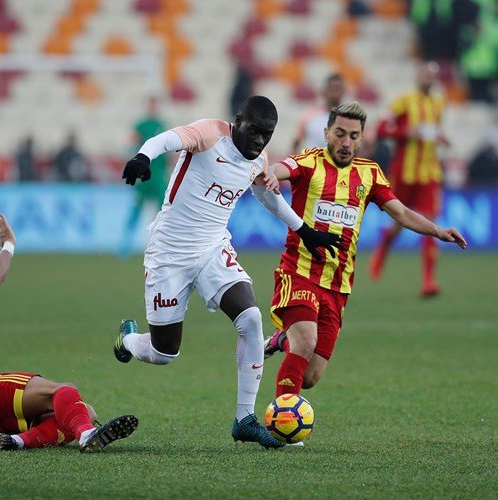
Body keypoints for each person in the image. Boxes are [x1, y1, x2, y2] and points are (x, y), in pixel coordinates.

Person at [113, 96, 341, 449]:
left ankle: (244, 418)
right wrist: (144, 155)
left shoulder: (258, 158)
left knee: (250, 318)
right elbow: (167, 139)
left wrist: (303, 230)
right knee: (164, 352)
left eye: (267, 135)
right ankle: (127, 339)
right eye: (254, 132)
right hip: (169, 253)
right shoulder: (209, 134)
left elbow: (267, 195)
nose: (260, 141)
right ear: (237, 121)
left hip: (212, 250)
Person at [261, 101, 466, 399]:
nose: (346, 143)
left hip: (337, 285)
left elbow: (401, 213)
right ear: (326, 133)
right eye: (340, 134)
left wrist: (437, 230)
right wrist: (269, 173)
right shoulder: (309, 162)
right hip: (299, 272)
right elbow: (281, 168)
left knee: (309, 377)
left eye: (353, 136)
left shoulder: (370, 174)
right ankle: (282, 420)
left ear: (363, 138)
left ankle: (281, 340)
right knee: (305, 341)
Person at [0, 212, 138, 452]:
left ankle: (17, 441)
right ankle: (87, 436)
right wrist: (9, 244)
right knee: (64, 391)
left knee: (85, 411)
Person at [369, 62, 449, 297]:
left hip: (429, 174)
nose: (428, 79)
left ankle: (428, 281)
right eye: (425, 74)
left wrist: (441, 138)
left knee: (431, 222)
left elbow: (434, 131)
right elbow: (382, 130)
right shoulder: (403, 101)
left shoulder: (438, 104)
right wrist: (404, 133)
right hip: (404, 173)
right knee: (398, 224)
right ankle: (383, 249)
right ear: (418, 76)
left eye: (432, 76)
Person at [120, 97, 170, 256]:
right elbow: (131, 144)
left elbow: (168, 150)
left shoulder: (161, 125)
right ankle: (125, 245)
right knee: (136, 209)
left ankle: (164, 245)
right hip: (144, 176)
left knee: (163, 211)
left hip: (159, 175)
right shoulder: (141, 125)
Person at [291, 73, 346, 153]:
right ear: (325, 91)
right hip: (312, 162)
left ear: (343, 91)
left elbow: (365, 142)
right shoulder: (310, 116)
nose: (336, 93)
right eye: (333, 88)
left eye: (338, 89)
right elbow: (296, 141)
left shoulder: (351, 118)